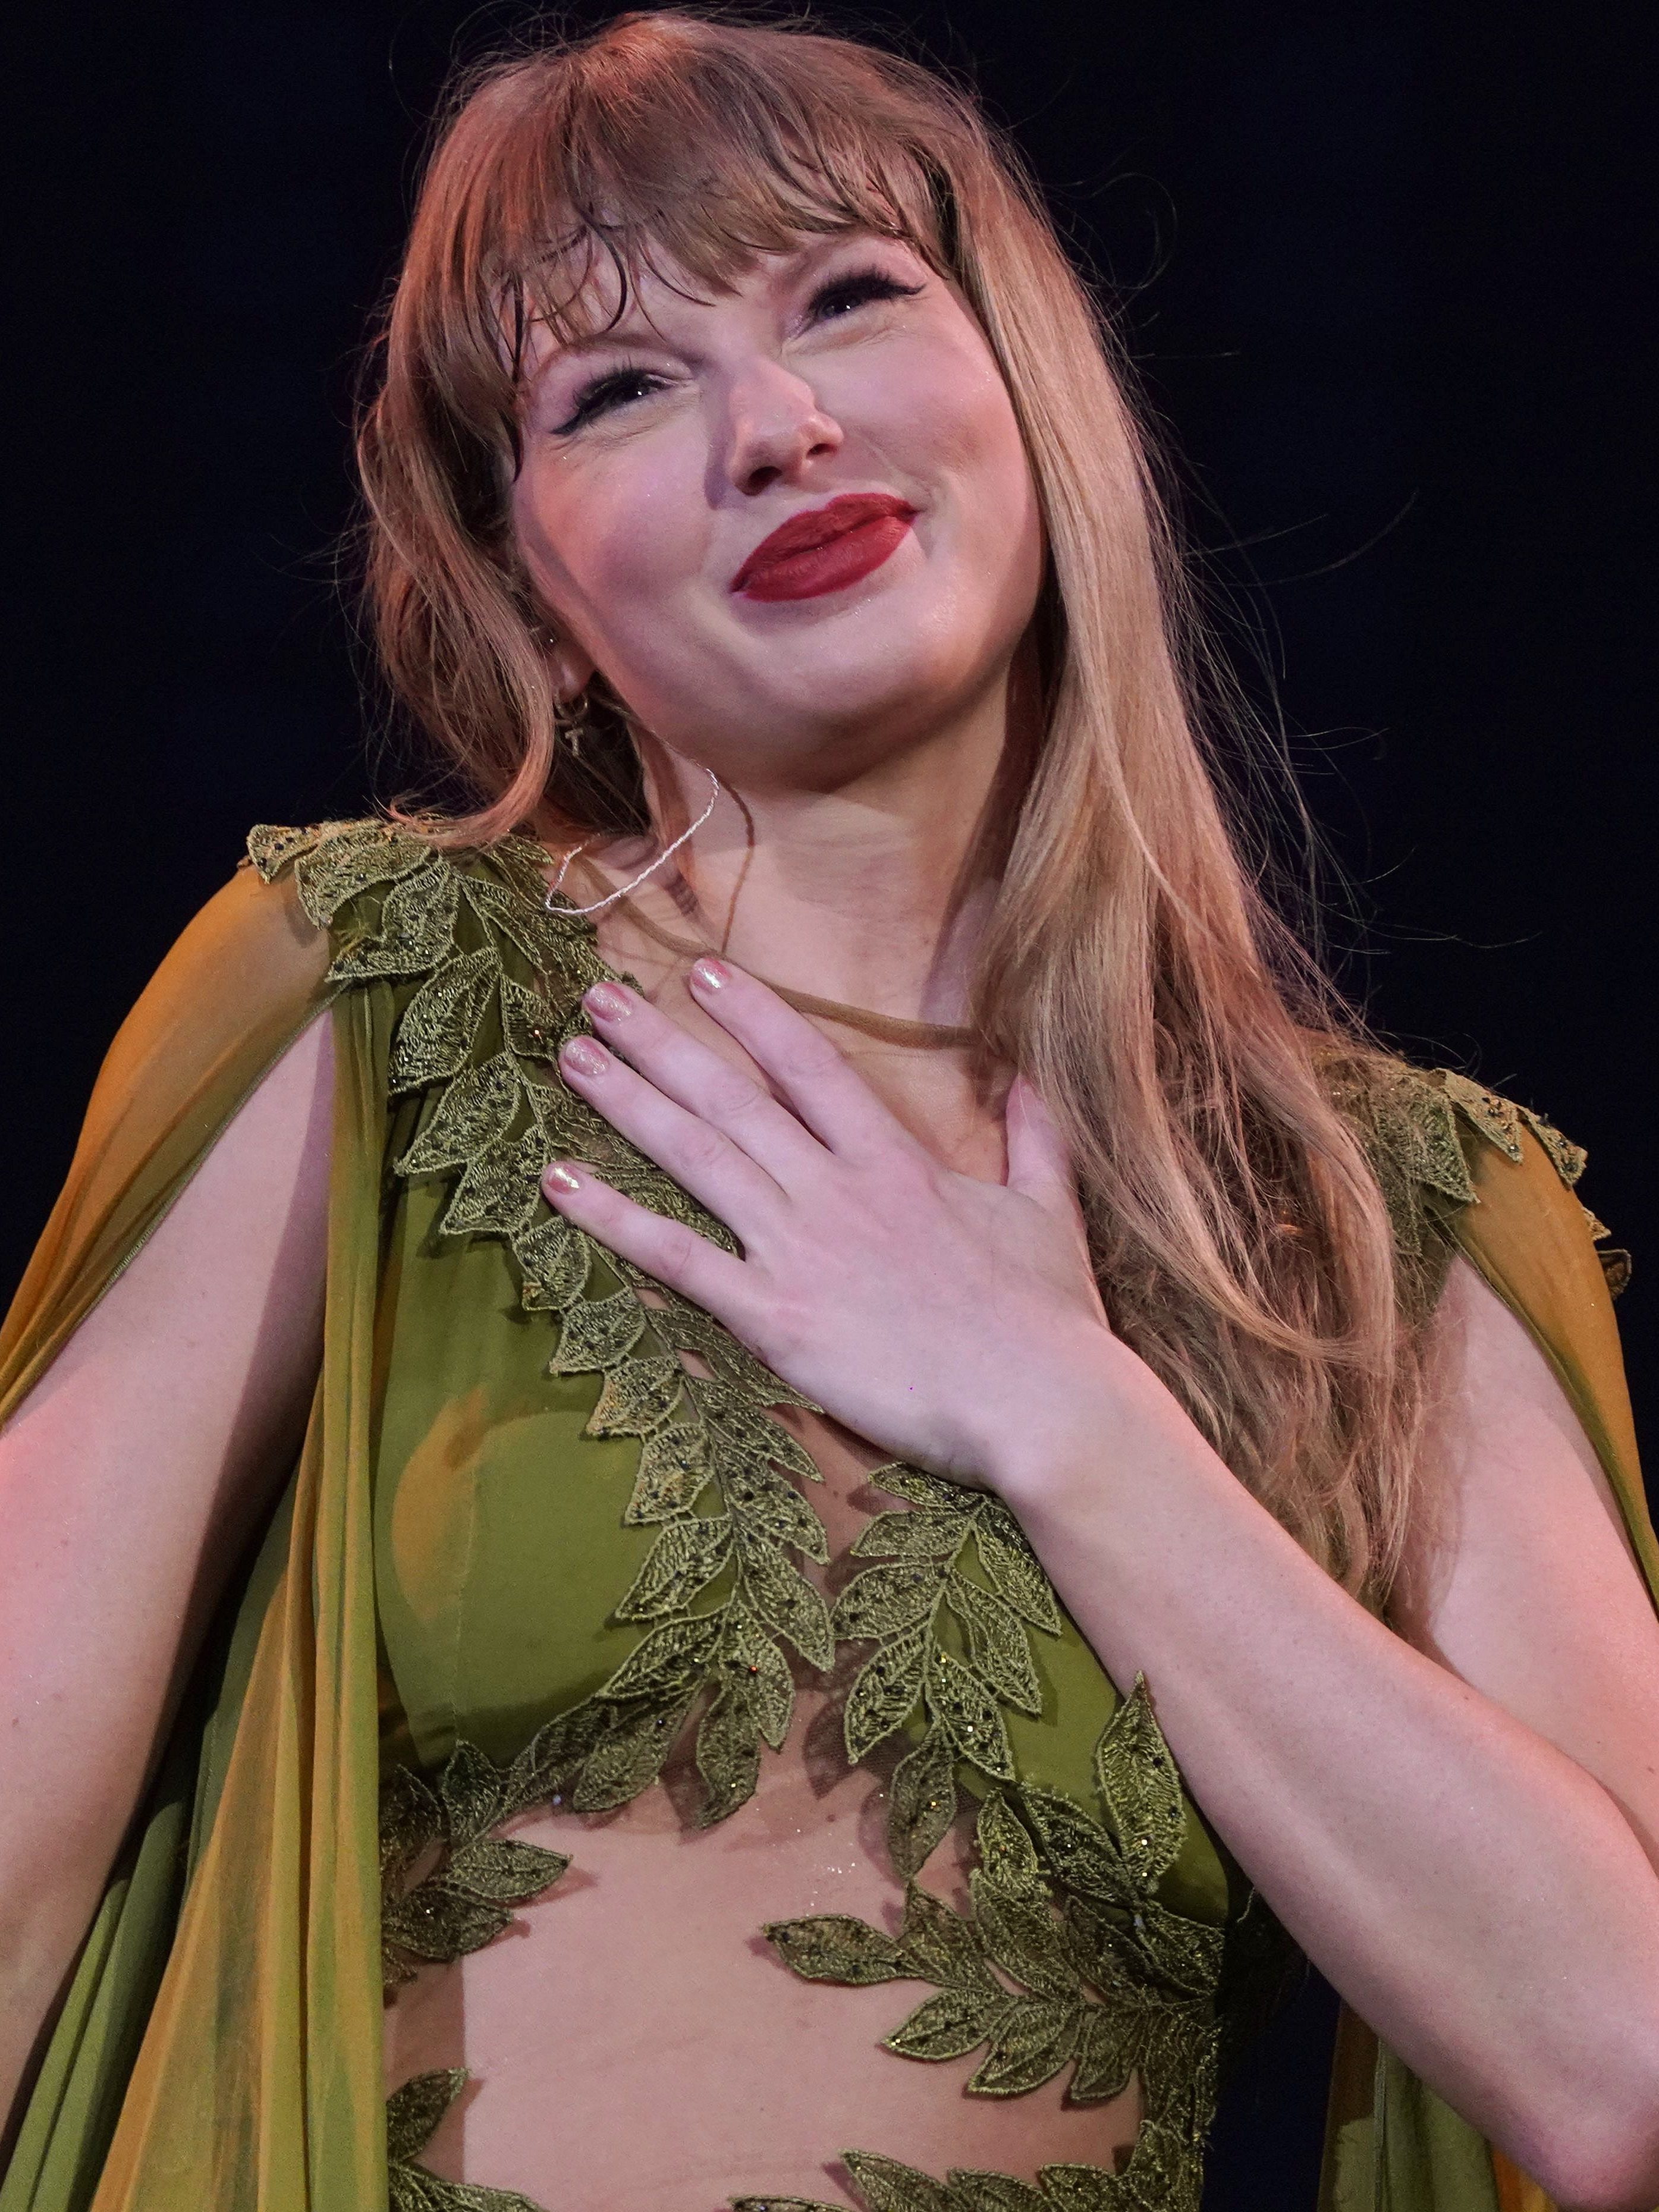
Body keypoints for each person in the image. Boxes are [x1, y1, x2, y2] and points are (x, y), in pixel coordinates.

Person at [2, 13, 1657, 2211]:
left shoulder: (1384, 1222)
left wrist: (1060, 1412)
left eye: (847, 298)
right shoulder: (378, 998)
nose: (775, 430)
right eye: (616, 390)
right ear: (536, 600)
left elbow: (1620, 2068)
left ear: (1030, 388)